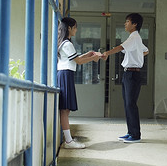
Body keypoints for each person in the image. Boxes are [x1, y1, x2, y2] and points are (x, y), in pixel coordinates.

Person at [101, 13, 149, 143]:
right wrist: (138, 56)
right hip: (129, 73)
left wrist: (106, 53)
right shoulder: (135, 39)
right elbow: (146, 51)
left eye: (127, 21)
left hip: (132, 74)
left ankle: (135, 135)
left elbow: (120, 47)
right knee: (128, 104)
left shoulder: (134, 37)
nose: (125, 24)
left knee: (130, 104)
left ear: (135, 24)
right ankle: (130, 132)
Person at [57, 17, 101, 149]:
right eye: (75, 27)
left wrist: (88, 55)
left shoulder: (64, 43)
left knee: (66, 110)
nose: (76, 29)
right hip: (65, 75)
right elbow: (78, 62)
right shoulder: (67, 44)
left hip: (65, 74)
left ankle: (68, 139)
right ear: (69, 28)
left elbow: (75, 59)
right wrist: (94, 58)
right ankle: (69, 142)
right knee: (65, 110)